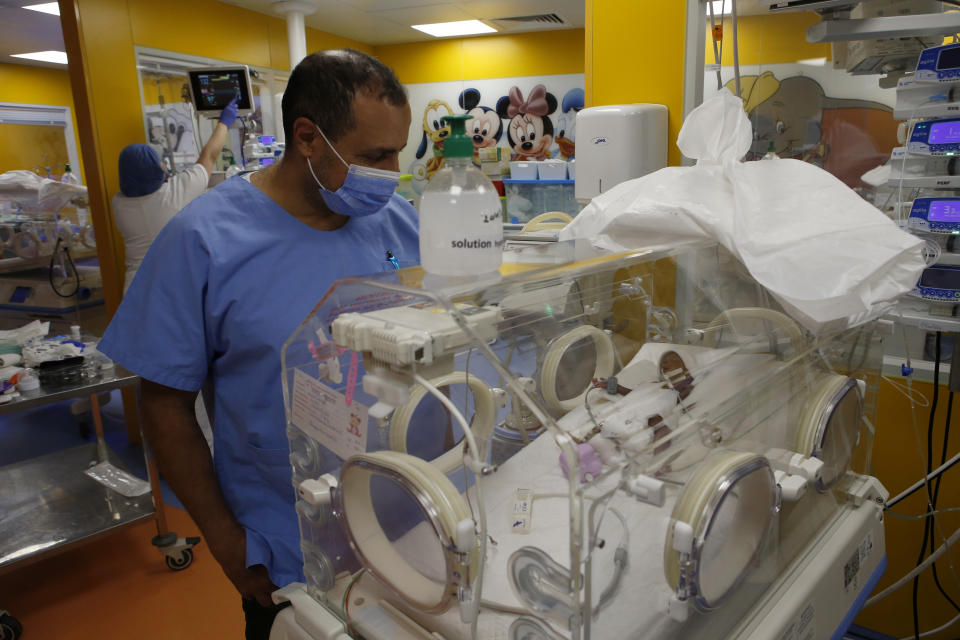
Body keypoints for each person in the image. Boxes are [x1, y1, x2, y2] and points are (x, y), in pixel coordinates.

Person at [96, 50, 418, 639]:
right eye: (375, 156)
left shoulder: (398, 221)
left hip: (412, 520)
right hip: (287, 540)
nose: (392, 170)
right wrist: (226, 541)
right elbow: (165, 403)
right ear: (308, 139)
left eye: (399, 150)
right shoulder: (205, 241)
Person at [113, 96, 239, 293]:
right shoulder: (174, 195)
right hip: (168, 287)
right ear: (155, 170)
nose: (163, 164)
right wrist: (224, 122)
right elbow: (210, 156)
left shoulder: (119, 203)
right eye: (159, 162)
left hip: (134, 289)